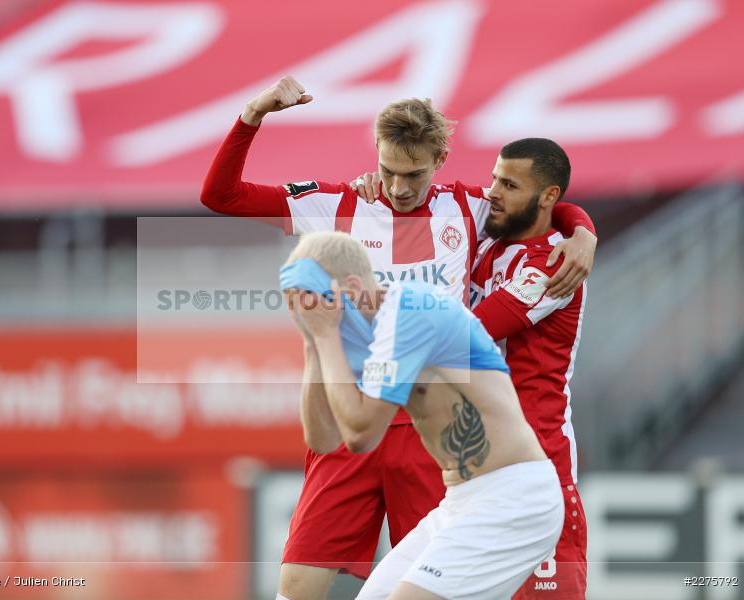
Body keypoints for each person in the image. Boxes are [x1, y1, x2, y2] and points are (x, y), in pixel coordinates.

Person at [200, 75, 596, 600]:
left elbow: (537, 205)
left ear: (440, 159)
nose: (400, 186)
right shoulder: (339, 205)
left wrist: (582, 229)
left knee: (428, 585)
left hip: (432, 431)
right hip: (355, 416)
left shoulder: (471, 207)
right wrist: (253, 113)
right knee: (297, 585)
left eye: (414, 173)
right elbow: (220, 196)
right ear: (376, 157)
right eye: (388, 170)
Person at [357, 138, 589, 598]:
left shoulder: (554, 262)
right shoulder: (485, 246)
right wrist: (379, 195)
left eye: (509, 183)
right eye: (494, 178)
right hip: (474, 474)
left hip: (536, 461)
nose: (492, 192)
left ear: (546, 197)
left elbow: (465, 332)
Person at [280, 231, 564, 600]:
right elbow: (323, 439)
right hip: (461, 501)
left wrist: (325, 337)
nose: (310, 314)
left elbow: (360, 434)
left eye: (314, 302)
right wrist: (312, 342)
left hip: (514, 497)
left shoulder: (411, 309)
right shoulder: (361, 336)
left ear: (350, 288)